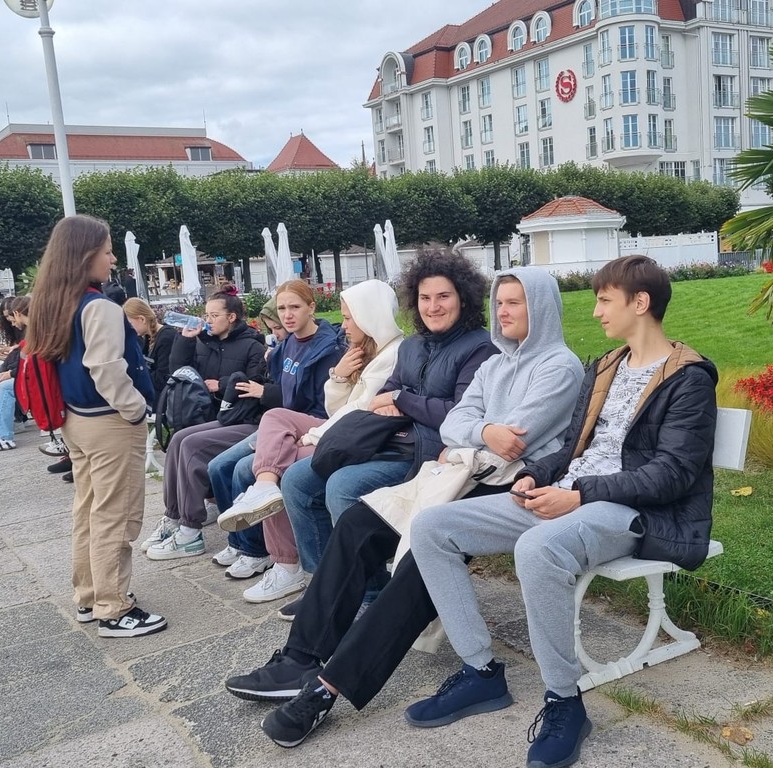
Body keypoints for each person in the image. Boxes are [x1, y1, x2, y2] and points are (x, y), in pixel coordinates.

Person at [224, 267, 586, 750]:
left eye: (515, 303)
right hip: (458, 473)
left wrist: (471, 431)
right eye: (501, 302)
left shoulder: (558, 366)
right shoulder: (498, 362)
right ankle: (299, 658)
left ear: (540, 306)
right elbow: (459, 421)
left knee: (423, 556)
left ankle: (328, 688)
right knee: (358, 523)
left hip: (508, 485)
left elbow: (515, 439)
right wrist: (481, 430)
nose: (504, 312)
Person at [407, 255, 717, 768]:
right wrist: (536, 474)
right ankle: (480, 672)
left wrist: (579, 495)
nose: (595, 311)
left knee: (538, 547)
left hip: (629, 510)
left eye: (605, 300)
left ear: (640, 303)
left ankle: (564, 701)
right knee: (433, 526)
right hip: (570, 494)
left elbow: (673, 475)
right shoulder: (607, 366)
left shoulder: (688, 378)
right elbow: (574, 445)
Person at [276, 249, 497, 603]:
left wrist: (403, 401)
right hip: (388, 438)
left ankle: (370, 592)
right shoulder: (413, 345)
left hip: (428, 451)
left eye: (443, 296)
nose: (433, 307)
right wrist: (400, 400)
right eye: (425, 298)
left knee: (342, 487)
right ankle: (323, 589)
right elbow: (385, 393)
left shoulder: (480, 348)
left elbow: (458, 414)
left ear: (463, 298)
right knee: (297, 481)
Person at [217, 279, 404, 603]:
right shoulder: (359, 350)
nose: (343, 325)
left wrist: (313, 433)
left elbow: (357, 413)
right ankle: (265, 495)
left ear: (369, 317)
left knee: (277, 470)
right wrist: (340, 376)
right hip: (336, 427)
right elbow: (335, 407)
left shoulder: (390, 355)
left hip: (356, 436)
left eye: (349, 318)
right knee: (272, 429)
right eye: (282, 308)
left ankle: (293, 568)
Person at [26, 214, 165, 638]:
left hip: (75, 420)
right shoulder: (99, 306)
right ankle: (113, 607)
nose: (112, 258)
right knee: (116, 515)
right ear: (85, 254)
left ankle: (89, 596)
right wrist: (136, 410)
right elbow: (107, 369)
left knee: (89, 511)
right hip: (108, 422)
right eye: (107, 250)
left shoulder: (54, 303)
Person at [146, 281, 345, 566]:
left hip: (279, 421)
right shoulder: (282, 345)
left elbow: (306, 399)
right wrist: (188, 340)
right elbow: (179, 370)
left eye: (294, 307)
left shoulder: (322, 348)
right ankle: (223, 536)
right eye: (282, 309)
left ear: (311, 307)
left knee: (239, 467)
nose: (287, 315)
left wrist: (245, 389)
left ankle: (255, 550)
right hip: (254, 417)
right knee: (207, 457)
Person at [140, 292, 267, 553]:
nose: (208, 320)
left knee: (191, 446)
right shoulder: (201, 342)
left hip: (243, 417)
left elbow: (255, 384)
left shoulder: (252, 345)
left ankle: (190, 531)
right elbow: (177, 371)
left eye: (214, 315)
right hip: (210, 415)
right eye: (206, 314)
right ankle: (173, 516)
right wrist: (186, 340)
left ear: (231, 317)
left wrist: (221, 384)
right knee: (178, 439)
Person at [0, 296, 31, 452]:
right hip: (30, 374)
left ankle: (2, 437)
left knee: (3, 387)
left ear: (18, 313)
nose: (12, 323)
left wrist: (12, 373)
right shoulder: (32, 331)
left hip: (37, 378)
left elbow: (36, 362)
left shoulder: (36, 331)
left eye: (11, 318)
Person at [123, 298, 177, 409]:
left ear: (142, 319)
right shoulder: (149, 337)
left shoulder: (166, 337)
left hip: (165, 400)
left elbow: (163, 377)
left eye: (130, 324)